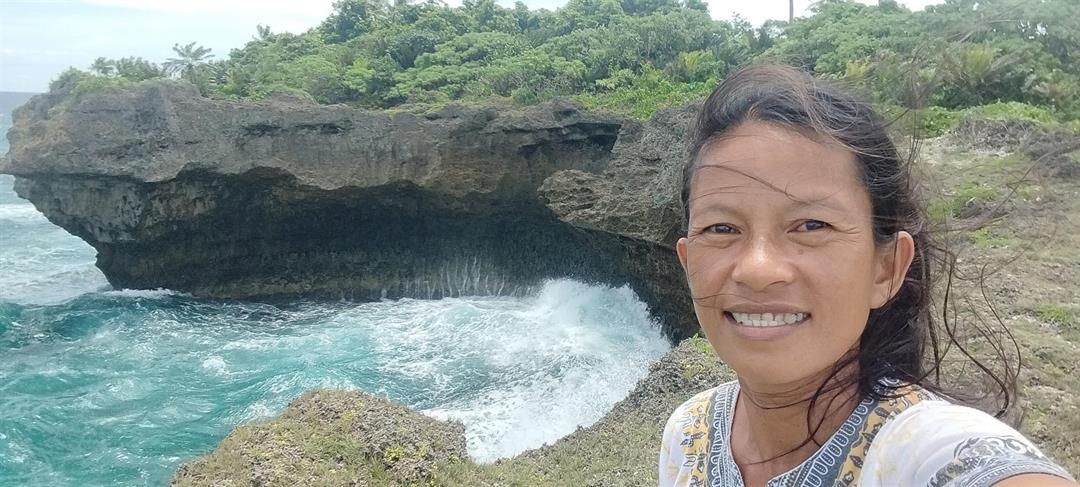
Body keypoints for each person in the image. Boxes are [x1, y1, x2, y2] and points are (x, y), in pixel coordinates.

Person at [658, 64, 1077, 487]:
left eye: (811, 225)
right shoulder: (689, 432)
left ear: (887, 268)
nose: (758, 269)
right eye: (721, 228)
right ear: (687, 262)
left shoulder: (925, 452)